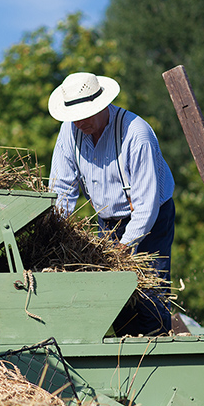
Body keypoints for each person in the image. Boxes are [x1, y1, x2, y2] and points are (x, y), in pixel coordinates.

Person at [47, 72, 175, 336]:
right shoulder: (69, 132)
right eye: (75, 116)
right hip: (107, 220)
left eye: (87, 114)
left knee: (150, 294)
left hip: (151, 219)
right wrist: (56, 234)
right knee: (115, 300)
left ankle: (159, 348)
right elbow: (62, 189)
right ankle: (126, 352)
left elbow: (146, 206)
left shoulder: (136, 134)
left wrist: (124, 247)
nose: (80, 122)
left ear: (102, 105)